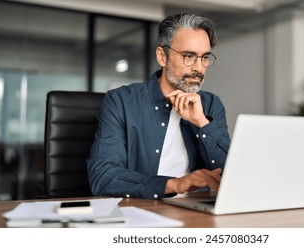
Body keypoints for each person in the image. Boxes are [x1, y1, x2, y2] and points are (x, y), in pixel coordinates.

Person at [87, 13, 230, 200]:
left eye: (204, 57)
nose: (199, 67)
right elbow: (103, 177)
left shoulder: (211, 105)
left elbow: (231, 176)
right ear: (162, 57)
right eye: (189, 56)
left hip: (196, 213)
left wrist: (202, 123)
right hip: (143, 210)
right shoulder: (121, 101)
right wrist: (176, 184)